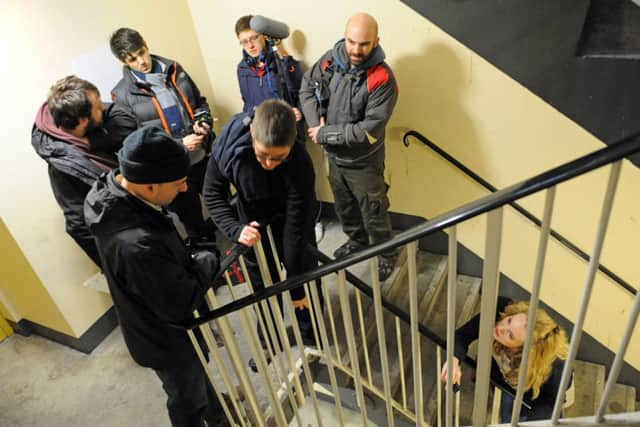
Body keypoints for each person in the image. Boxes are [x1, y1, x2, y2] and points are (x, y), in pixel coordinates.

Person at [84, 126, 227, 427]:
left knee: (195, 382)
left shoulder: (113, 196)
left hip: (148, 322)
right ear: (149, 187)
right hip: (165, 339)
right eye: (178, 183)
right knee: (186, 398)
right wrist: (207, 257)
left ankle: (216, 416)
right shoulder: (137, 245)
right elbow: (181, 301)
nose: (185, 189)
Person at [203, 99, 318, 351]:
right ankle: (269, 339)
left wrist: (296, 288)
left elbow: (295, 230)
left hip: (291, 213)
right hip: (252, 219)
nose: (269, 164)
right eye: (262, 155)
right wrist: (236, 229)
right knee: (262, 284)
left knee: (304, 269)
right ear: (252, 134)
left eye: (279, 158)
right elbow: (212, 194)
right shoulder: (228, 146)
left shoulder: (300, 163)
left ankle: (310, 333)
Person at [299, 12, 399, 280]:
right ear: (345, 37)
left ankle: (387, 252)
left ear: (376, 41)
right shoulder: (331, 59)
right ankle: (357, 240)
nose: (355, 49)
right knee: (344, 206)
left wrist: (325, 135)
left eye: (364, 44)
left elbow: (368, 131)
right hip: (335, 158)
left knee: (374, 210)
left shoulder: (382, 79)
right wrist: (314, 124)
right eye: (351, 41)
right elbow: (307, 87)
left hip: (364, 163)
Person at [109, 27, 216, 244]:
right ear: (124, 61)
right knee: (195, 227)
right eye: (132, 59)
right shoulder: (122, 95)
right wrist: (180, 145)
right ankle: (213, 273)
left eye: (141, 52)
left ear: (146, 45)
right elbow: (137, 145)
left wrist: (202, 122)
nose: (141, 61)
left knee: (225, 206)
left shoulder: (175, 69)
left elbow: (199, 103)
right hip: (172, 173)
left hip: (204, 158)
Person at [31, 75, 136, 267]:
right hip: (129, 248)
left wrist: (93, 142)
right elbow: (78, 226)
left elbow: (125, 118)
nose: (102, 108)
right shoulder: (64, 168)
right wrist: (117, 268)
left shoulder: (85, 126)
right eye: (97, 106)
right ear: (81, 121)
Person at [440, 296, 570, 422]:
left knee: (510, 419)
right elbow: (463, 335)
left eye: (510, 335)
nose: (500, 328)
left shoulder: (553, 368)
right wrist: (454, 359)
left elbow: (551, 400)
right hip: (503, 376)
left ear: (523, 351)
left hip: (526, 389)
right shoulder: (501, 310)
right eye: (509, 321)